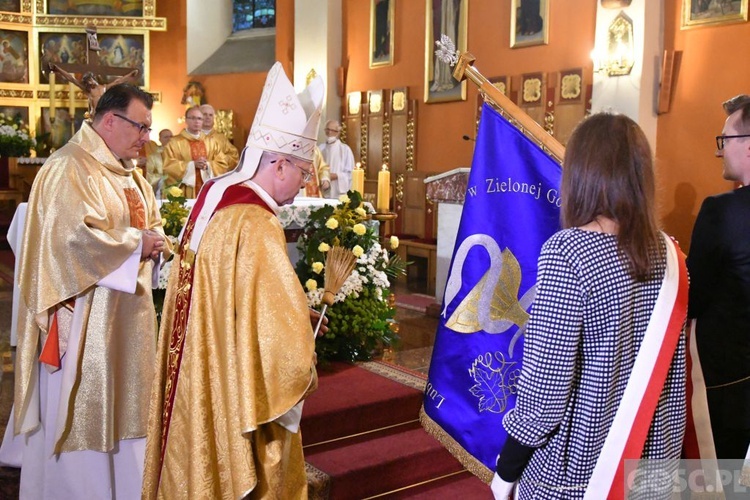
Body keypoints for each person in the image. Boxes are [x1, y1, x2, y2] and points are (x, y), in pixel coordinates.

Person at [142, 61, 323, 499]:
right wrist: (303, 329)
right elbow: (278, 343)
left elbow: (230, 294)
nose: (306, 183)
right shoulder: (256, 222)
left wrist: (292, 305)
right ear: (278, 164)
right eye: (302, 171)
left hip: (199, 362)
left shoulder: (214, 197)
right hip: (232, 373)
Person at [491, 113, 687, 499]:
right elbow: (676, 378)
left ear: (580, 175)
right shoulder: (669, 253)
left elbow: (544, 394)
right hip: (650, 467)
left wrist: (506, 469)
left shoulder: (569, 253)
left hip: (580, 474)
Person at [0, 83, 168, 499]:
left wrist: (158, 244)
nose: (146, 137)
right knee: (82, 414)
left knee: (129, 411)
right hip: (83, 323)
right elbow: (68, 241)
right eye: (141, 127)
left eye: (148, 127)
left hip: (129, 319)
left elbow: (154, 224)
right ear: (110, 121)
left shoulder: (131, 173)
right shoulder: (67, 167)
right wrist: (136, 244)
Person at [687, 94, 750, 459]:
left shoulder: (720, 211)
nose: (719, 150)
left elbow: (693, 299)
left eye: (725, 140)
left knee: (724, 485)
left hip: (732, 390)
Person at [162, 106, 234, 198]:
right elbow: (168, 165)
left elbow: (222, 163)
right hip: (185, 191)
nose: (196, 121)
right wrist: (191, 165)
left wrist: (208, 165)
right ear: (186, 120)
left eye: (199, 118)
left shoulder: (211, 142)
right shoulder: (174, 142)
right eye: (193, 118)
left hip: (207, 189)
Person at [319, 120, 354, 198]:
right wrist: (324, 177)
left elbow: (350, 173)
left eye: (332, 130)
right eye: (327, 130)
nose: (329, 133)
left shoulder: (345, 149)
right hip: (322, 187)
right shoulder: (320, 148)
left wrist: (336, 176)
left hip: (338, 189)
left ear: (338, 132)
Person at [199, 103, 239, 171]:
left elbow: (234, 157)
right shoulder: (191, 137)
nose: (208, 117)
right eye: (205, 114)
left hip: (219, 177)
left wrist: (219, 161)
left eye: (210, 115)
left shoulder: (221, 138)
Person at [144, 128, 173, 197]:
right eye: (166, 137)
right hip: (161, 188)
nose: (169, 139)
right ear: (160, 139)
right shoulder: (154, 156)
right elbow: (149, 174)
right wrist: (163, 179)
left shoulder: (181, 153)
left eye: (171, 136)